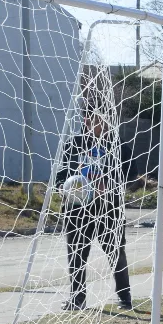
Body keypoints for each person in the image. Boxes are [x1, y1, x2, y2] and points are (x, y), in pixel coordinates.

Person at [57, 111, 133, 312]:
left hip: (109, 208)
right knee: (76, 254)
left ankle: (124, 297)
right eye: (93, 119)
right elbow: (60, 175)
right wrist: (64, 188)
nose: (98, 123)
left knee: (116, 252)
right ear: (86, 121)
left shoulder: (120, 146)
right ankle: (77, 297)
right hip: (77, 210)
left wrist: (109, 185)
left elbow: (131, 176)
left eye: (102, 119)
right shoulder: (73, 145)